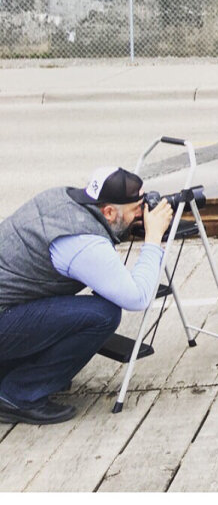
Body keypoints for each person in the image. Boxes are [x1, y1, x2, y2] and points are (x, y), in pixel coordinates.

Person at [0, 166, 173, 424]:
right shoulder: (82, 240)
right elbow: (137, 298)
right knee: (102, 314)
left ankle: (12, 372)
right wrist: (154, 237)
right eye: (136, 209)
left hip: (9, 304)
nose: (142, 213)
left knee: (69, 310)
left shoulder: (61, 198)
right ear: (109, 212)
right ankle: (19, 395)